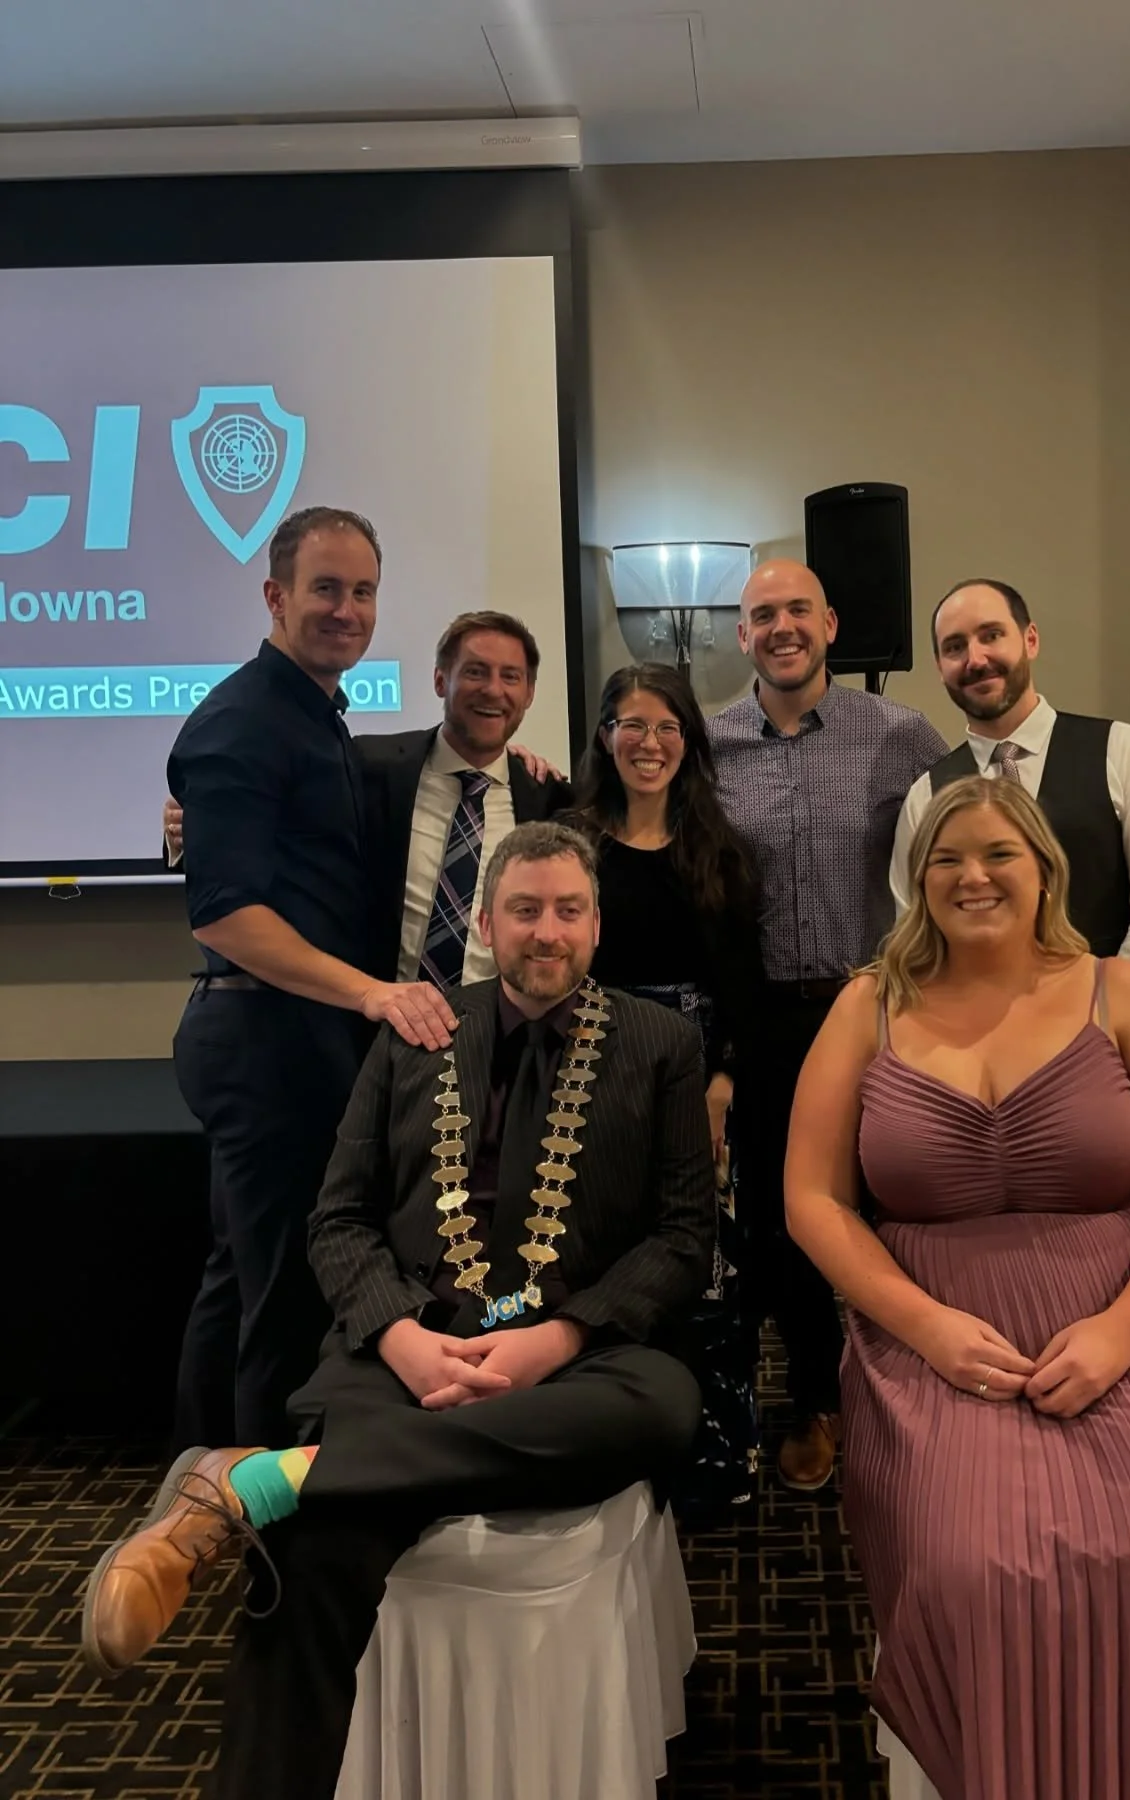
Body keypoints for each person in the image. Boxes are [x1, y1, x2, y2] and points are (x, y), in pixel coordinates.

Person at [81, 822, 713, 1800]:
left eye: (569, 911)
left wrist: (557, 1337)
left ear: (596, 924)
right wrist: (406, 1340)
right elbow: (337, 1219)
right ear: (490, 924)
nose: (548, 932)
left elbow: (681, 1239)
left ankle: (255, 1481)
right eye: (526, 910)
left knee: (665, 1408)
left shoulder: (660, 1043)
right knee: (316, 1545)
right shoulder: (416, 1031)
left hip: (580, 1359)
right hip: (410, 1348)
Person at [787, 776, 1130, 1800]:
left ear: (1044, 873)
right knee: (970, 1569)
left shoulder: (1125, 994)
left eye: (998, 855)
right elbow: (813, 1200)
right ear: (916, 878)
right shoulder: (869, 1005)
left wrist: (1120, 1333)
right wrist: (924, 1326)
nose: (971, 876)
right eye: (945, 859)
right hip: (935, 1335)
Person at [166, 609, 571, 1450]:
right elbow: (257, 828)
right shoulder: (371, 765)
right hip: (372, 1048)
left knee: (460, 1249)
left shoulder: (551, 795)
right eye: (474, 671)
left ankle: (442, 1425)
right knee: (292, 1265)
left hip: (493, 1057)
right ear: (438, 680)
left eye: (511, 676)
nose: (492, 690)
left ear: (531, 694)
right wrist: (181, 831)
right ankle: (225, 1473)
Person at [167, 506, 457, 1451]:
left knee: (240, 1281)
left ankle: (201, 1492)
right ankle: (265, 1545)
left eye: (363, 591)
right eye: (325, 588)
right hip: (266, 1044)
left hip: (287, 1039)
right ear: (275, 595)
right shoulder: (243, 720)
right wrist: (371, 992)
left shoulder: (314, 715)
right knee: (286, 1301)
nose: (346, 609)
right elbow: (224, 911)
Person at [708, 558, 947, 1490]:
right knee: (785, 1221)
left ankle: (921, 1397)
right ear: (742, 634)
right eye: (762, 614)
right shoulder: (709, 743)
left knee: (904, 1205)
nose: (782, 627)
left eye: (797, 609)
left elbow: (961, 851)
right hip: (766, 1021)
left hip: (884, 1010)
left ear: (832, 622)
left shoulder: (903, 737)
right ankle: (816, 1401)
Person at [570, 661, 764, 1517]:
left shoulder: (721, 851)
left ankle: (716, 1455)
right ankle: (611, 1454)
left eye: (667, 727)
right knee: (600, 1259)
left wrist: (721, 1083)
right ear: (605, 736)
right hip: (591, 1074)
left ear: (690, 742)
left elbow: (742, 988)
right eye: (631, 724)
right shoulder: (569, 840)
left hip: (697, 1077)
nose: (649, 743)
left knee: (708, 1268)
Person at [889, 578, 1130, 984]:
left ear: (1030, 639)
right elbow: (916, 933)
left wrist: (1109, 1012)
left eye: (991, 635)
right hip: (976, 1035)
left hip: (1107, 1027)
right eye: (955, 647)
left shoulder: (1122, 751)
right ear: (940, 668)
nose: (975, 659)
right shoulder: (926, 795)